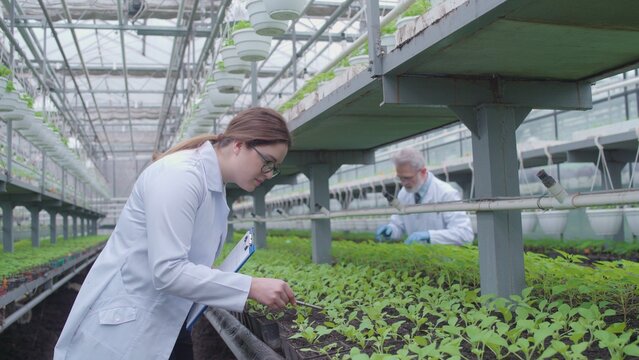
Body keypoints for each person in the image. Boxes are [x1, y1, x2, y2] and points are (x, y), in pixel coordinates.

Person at [54, 107, 297, 360]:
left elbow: (186, 263)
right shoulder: (180, 175)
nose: (268, 174)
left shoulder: (212, 185)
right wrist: (250, 287)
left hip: (166, 322)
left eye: (274, 168)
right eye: (267, 162)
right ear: (239, 145)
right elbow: (168, 270)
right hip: (126, 326)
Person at [375, 148, 473, 245]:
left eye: (407, 178)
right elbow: (398, 224)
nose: (403, 183)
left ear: (423, 171)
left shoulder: (446, 193)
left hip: (444, 258)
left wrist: (430, 236)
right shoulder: (403, 193)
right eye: (400, 178)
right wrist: (391, 230)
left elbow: (465, 235)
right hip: (417, 258)